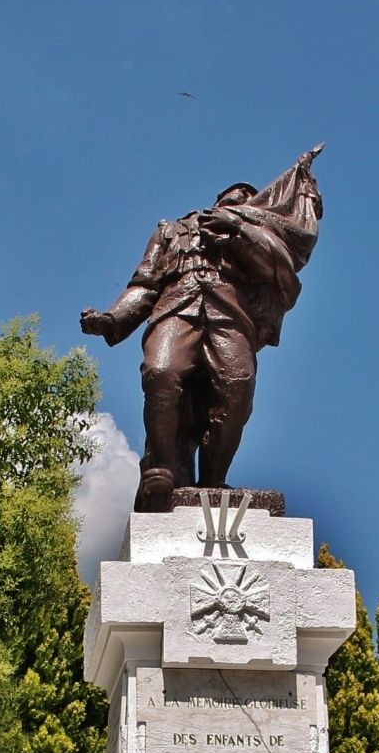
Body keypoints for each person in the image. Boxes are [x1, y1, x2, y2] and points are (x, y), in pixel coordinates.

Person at [81, 146, 323, 510]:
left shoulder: (250, 236)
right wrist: (113, 318)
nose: (242, 200)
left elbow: (280, 268)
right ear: (218, 199)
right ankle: (160, 470)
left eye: (249, 201)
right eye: (236, 197)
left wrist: (240, 228)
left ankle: (213, 483)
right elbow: (144, 284)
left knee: (237, 389)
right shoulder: (173, 231)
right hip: (175, 308)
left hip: (230, 314)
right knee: (161, 372)